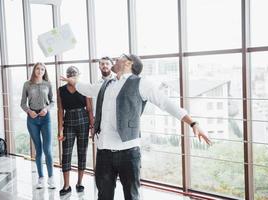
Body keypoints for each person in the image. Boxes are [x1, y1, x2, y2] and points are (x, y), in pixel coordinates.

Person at [61, 54, 211, 200]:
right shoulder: (106, 84)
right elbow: (87, 89)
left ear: (128, 63)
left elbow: (165, 103)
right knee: (104, 196)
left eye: (120, 57)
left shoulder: (141, 83)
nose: (115, 59)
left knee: (131, 196)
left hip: (128, 152)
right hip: (103, 151)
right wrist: (73, 81)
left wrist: (193, 123)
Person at [57, 66, 94, 196]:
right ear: (66, 76)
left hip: (83, 120)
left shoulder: (84, 87)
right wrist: (60, 130)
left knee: (82, 152)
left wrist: (92, 126)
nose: (72, 75)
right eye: (70, 74)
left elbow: (89, 108)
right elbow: (60, 110)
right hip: (68, 121)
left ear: (79, 75)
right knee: (66, 153)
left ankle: (80, 182)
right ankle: (66, 185)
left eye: (75, 73)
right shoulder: (61, 90)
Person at [20, 62, 55, 189]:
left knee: (48, 150)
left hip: (46, 118)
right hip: (32, 120)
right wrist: (29, 111)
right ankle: (41, 178)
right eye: (38, 69)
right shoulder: (27, 85)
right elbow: (23, 103)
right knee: (38, 150)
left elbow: (52, 101)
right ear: (34, 70)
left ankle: (51, 178)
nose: (40, 71)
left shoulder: (48, 84)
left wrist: (46, 109)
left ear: (45, 71)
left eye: (42, 69)